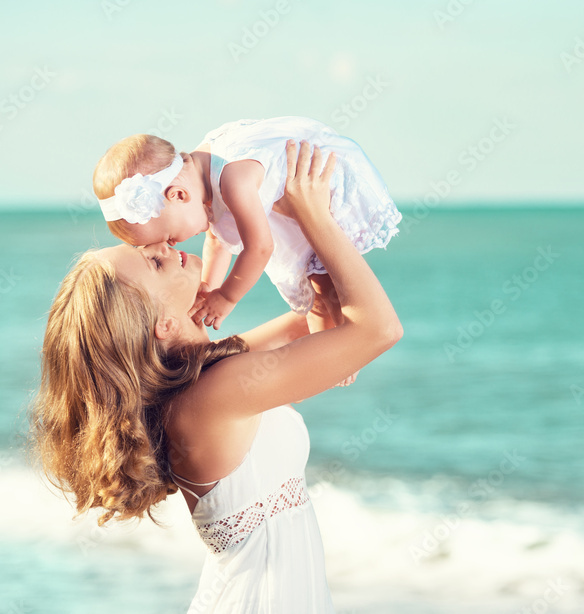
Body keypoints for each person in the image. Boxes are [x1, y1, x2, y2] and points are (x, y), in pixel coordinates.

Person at [32, 141, 402, 613]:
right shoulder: (214, 395)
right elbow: (379, 329)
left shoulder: (208, 377)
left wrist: (288, 219)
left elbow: (315, 322)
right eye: (154, 260)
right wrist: (312, 215)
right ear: (162, 324)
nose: (167, 246)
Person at [92, 117, 401, 344]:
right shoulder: (202, 181)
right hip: (289, 201)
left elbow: (260, 247)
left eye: (169, 237)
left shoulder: (233, 180)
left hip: (320, 176)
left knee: (321, 279)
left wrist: (226, 297)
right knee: (313, 280)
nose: (172, 246)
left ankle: (338, 343)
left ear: (177, 195)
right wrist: (205, 289)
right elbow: (218, 241)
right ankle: (330, 341)